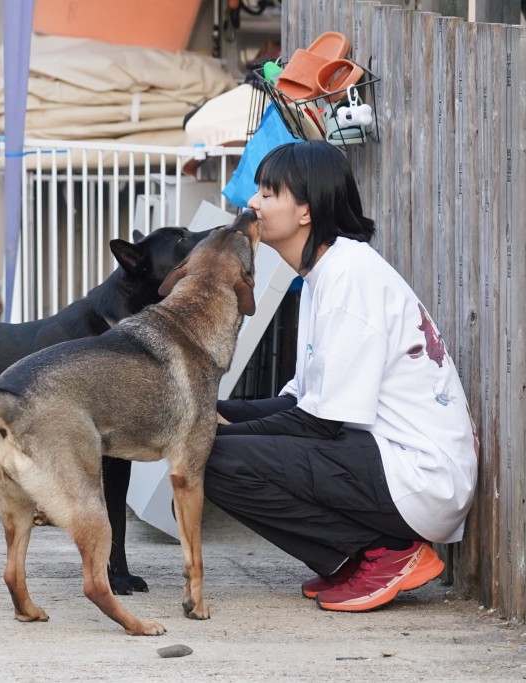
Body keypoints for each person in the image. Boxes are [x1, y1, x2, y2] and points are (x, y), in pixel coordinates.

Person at [204, 140, 478, 612]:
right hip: (385, 460)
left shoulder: (349, 276)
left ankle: (386, 552)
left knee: (212, 458)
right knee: (205, 442)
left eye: (269, 193)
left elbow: (321, 422)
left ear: (306, 210)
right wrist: (207, 413)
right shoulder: (322, 275)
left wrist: (219, 430)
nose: (253, 203)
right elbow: (300, 402)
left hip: (417, 476)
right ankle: (355, 557)